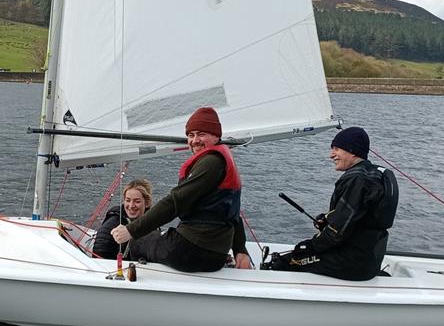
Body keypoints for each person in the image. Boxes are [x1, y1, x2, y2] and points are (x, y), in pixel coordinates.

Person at [111, 107, 252, 272]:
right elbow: (233, 212)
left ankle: (139, 286)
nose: (195, 140)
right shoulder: (223, 160)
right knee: (154, 237)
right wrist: (240, 249)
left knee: (139, 239)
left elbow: (175, 202)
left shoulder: (211, 163)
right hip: (215, 255)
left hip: (191, 252)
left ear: (216, 136)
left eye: (201, 134)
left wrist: (131, 230)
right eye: (191, 135)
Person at [267, 126, 399, 280]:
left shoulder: (357, 179)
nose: (332, 155)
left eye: (336, 149)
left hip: (350, 261)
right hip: (369, 260)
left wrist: (308, 246)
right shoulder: (377, 175)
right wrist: (328, 220)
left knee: (286, 261)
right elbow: (358, 216)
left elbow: (337, 232)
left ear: (352, 150)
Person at [93, 179, 153, 260]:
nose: (131, 205)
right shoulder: (113, 224)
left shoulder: (151, 222)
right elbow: (99, 254)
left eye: (137, 201)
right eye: (128, 200)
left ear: (147, 203)